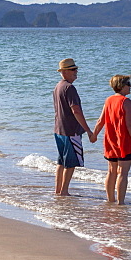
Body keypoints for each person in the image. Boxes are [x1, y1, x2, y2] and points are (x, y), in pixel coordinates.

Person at [93, 75, 131, 205]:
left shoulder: (108, 100)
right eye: (128, 84)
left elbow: (100, 121)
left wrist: (94, 134)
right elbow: (130, 125)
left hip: (110, 140)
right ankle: (120, 203)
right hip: (124, 141)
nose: (130, 86)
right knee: (123, 173)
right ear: (121, 85)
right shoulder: (126, 101)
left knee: (111, 171)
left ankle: (110, 201)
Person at [53, 58, 96, 196]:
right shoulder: (69, 88)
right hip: (70, 131)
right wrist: (88, 130)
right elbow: (76, 110)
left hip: (59, 129)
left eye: (76, 69)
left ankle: (58, 190)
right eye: (73, 70)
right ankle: (64, 191)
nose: (76, 72)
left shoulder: (58, 86)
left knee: (61, 161)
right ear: (64, 72)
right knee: (70, 163)